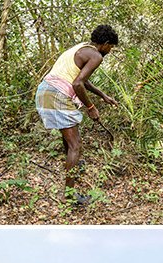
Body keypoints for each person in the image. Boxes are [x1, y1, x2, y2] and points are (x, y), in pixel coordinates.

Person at [35, 24, 119, 204]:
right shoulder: (96, 55)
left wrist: (103, 96)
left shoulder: (81, 48)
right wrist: (91, 107)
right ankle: (69, 195)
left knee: (68, 139)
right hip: (57, 95)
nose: (110, 51)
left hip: (44, 92)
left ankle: (73, 168)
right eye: (111, 47)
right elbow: (77, 84)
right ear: (105, 43)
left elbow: (81, 80)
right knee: (75, 145)